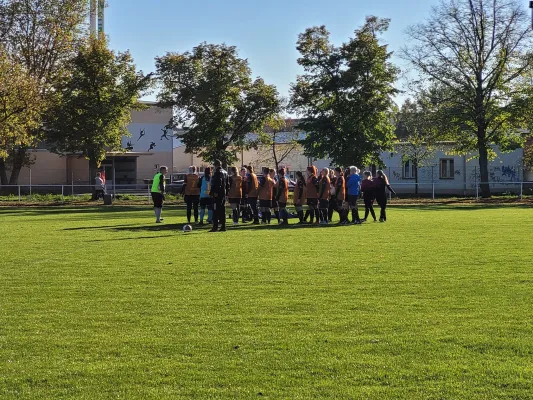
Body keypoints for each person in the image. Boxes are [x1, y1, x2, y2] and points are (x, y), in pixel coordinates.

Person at [209, 160, 230, 232]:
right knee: (222, 210)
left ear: (215, 165)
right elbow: (227, 184)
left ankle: (215, 226)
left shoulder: (217, 173)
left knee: (215, 210)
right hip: (223, 194)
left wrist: (215, 192)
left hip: (217, 194)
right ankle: (223, 226)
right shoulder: (225, 172)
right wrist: (226, 193)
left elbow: (218, 183)